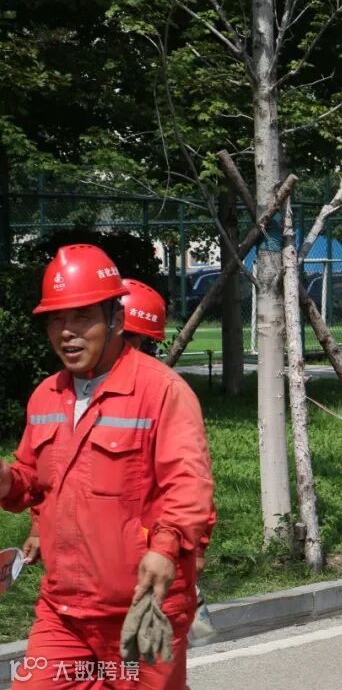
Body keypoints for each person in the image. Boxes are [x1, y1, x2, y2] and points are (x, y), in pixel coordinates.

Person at [0, 245, 215, 690]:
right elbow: (30, 483)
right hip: (63, 612)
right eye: (56, 319)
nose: (67, 332)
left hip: (142, 606)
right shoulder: (45, 396)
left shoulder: (161, 391)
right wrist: (5, 479)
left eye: (82, 317)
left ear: (116, 318)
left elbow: (188, 485)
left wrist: (166, 548)